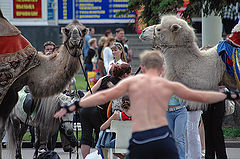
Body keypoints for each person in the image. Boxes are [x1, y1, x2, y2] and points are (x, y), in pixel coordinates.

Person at [55, 50, 240, 159]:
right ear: (162, 68)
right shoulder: (169, 84)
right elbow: (202, 96)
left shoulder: (131, 83)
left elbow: (100, 97)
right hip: (164, 140)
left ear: (142, 68)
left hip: (141, 139)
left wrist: (72, 106)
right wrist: (231, 95)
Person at [77, 63, 132, 159]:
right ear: (126, 75)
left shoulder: (104, 78)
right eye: (130, 74)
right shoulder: (123, 86)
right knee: (102, 135)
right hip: (100, 111)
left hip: (86, 108)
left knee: (85, 138)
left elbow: (89, 93)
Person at [97, 95, 132, 159]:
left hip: (118, 143)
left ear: (122, 103)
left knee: (104, 140)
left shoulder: (117, 115)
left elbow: (102, 128)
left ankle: (106, 157)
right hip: (134, 141)